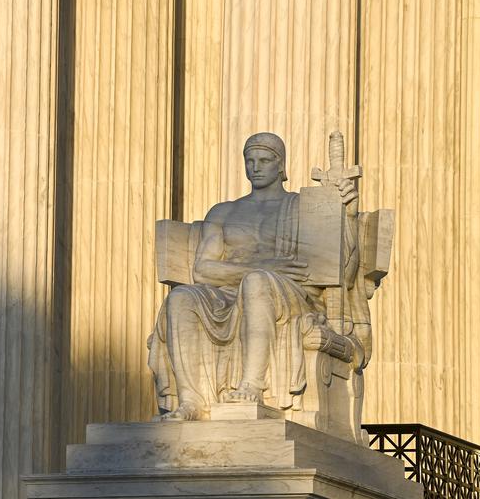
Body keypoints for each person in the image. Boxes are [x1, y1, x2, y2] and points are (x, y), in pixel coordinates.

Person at [147, 132, 359, 421]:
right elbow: (202, 270)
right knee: (181, 298)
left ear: (281, 166)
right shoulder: (223, 212)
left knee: (257, 282)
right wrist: (265, 265)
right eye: (250, 161)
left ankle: (252, 386)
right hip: (228, 294)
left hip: (291, 297)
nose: (256, 167)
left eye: (265, 160)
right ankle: (191, 401)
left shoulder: (303, 207)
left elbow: (342, 264)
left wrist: (346, 213)